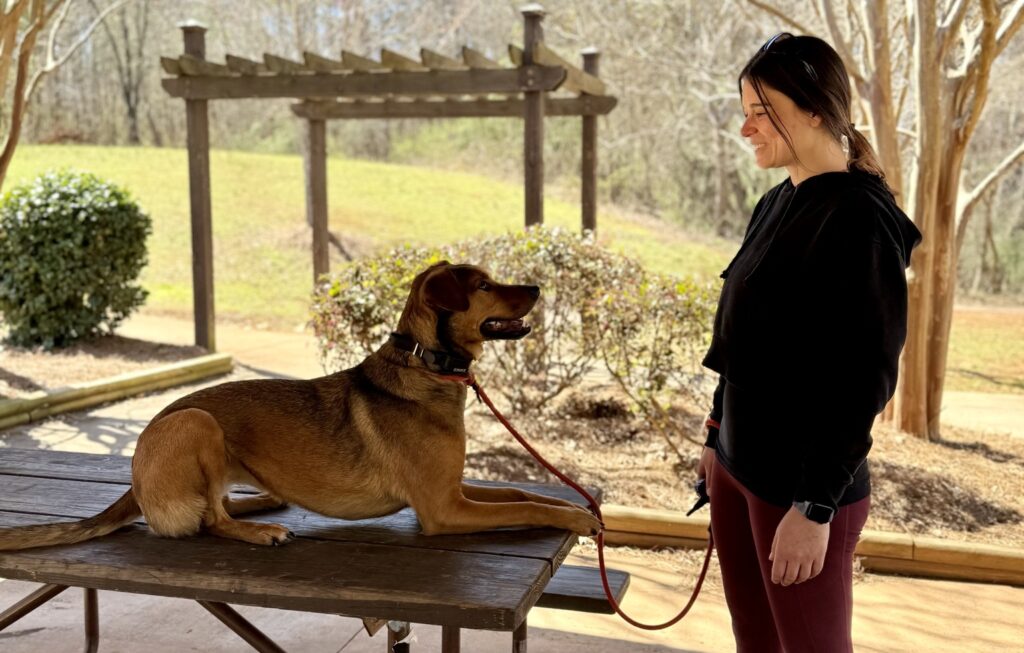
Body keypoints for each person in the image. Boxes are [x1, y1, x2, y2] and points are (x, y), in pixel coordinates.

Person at [695, 32, 921, 652]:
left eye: (762, 113)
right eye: (744, 112)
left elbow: (864, 377)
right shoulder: (776, 199)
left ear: (818, 109)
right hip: (736, 470)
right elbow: (741, 335)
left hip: (798, 490)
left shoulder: (859, 219)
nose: (747, 129)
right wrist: (717, 431)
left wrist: (816, 507)